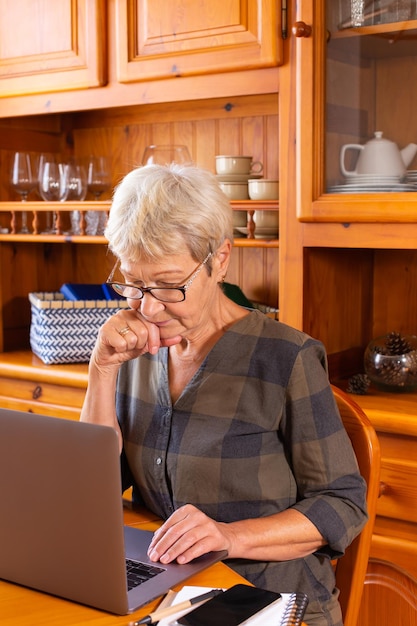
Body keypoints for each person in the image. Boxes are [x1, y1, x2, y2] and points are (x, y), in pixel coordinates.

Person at [80, 163, 368, 625]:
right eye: (134, 284)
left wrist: (229, 536)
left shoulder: (285, 358)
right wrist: (102, 369)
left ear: (220, 260)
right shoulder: (134, 346)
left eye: (170, 286)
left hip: (270, 601)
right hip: (168, 594)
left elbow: (343, 504)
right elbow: (89, 488)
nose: (149, 308)